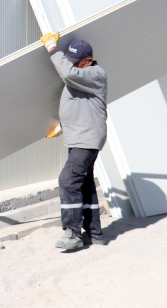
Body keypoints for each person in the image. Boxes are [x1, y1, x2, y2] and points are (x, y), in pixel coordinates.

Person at [40, 33, 108, 250]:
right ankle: (94, 234)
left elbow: (68, 74)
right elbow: (82, 106)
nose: (71, 67)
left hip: (86, 140)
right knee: (85, 185)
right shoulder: (82, 77)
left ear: (88, 61)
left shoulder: (95, 74)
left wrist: (52, 47)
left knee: (68, 181)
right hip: (79, 137)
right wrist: (63, 127)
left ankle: (72, 235)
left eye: (75, 63)